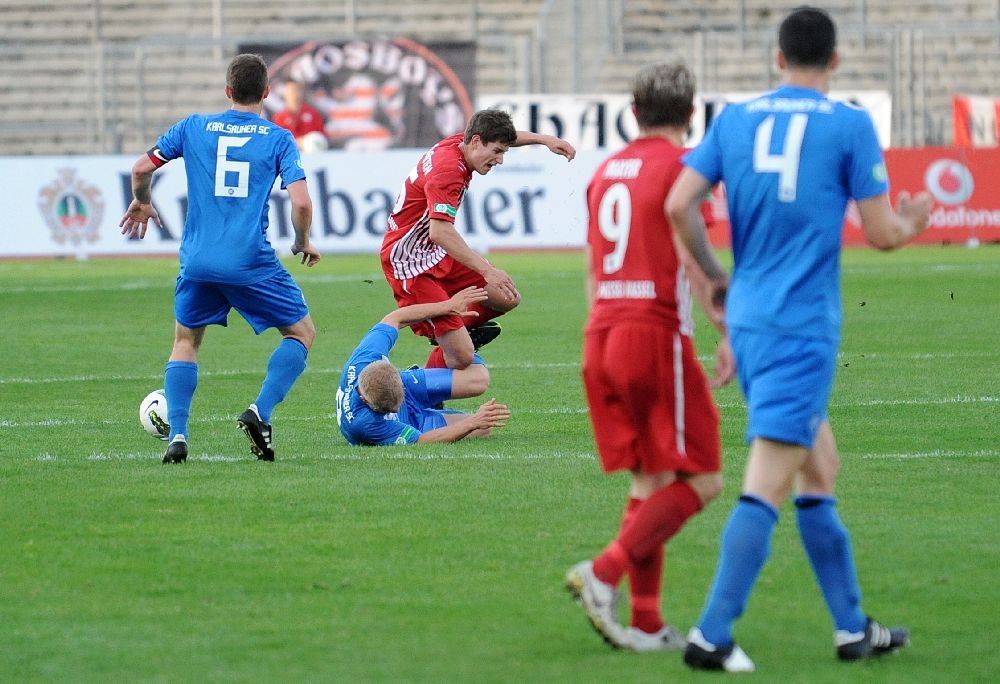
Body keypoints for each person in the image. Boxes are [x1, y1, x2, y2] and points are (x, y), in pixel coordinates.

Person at [665, 6, 933, 672]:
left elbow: (677, 205)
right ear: (834, 62)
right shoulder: (848, 124)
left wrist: (719, 278)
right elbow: (881, 233)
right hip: (800, 329)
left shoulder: (735, 120)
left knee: (821, 469)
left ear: (778, 60)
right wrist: (915, 219)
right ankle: (711, 634)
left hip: (752, 320)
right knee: (769, 481)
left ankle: (851, 629)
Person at [564, 62, 735, 653]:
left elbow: (592, 266)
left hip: (601, 333)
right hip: (652, 333)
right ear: (692, 116)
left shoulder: (606, 170)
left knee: (650, 478)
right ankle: (603, 572)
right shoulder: (684, 171)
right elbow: (692, 258)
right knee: (707, 479)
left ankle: (643, 623)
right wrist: (726, 329)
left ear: (632, 114)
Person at [120, 53, 321, 464]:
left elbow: (141, 169)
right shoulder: (278, 137)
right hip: (249, 260)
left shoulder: (192, 127)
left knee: (185, 342)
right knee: (301, 333)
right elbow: (300, 203)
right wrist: (302, 240)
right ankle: (259, 412)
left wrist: (142, 202)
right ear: (266, 93)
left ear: (228, 92)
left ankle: (177, 434)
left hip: (197, 260)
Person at [380, 108, 576, 372]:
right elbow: (439, 231)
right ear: (475, 142)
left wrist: (544, 140)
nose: (500, 160)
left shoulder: (459, 144)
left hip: (435, 251)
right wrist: (487, 270)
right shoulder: (449, 171)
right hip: (410, 262)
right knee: (462, 357)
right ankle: (418, 384)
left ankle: (454, 334)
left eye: (503, 152)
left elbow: (506, 136)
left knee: (506, 297)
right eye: (497, 152)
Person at [336, 286, 511, 445]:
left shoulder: (366, 358)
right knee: (483, 428)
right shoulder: (365, 423)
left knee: (479, 380)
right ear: (366, 400)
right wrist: (473, 422)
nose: (397, 407)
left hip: (408, 387)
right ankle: (456, 348)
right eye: (389, 410)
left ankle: (456, 346)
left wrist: (448, 306)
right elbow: (422, 440)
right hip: (412, 423)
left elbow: (395, 318)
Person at [272, 78, 327, 150]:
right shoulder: (279, 118)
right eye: (292, 90)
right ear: (285, 93)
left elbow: (322, 136)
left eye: (298, 90)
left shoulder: (313, 113)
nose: (296, 93)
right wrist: (298, 143)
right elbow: (277, 143)